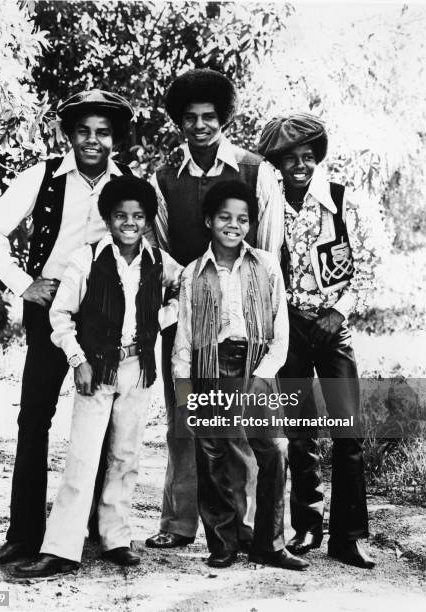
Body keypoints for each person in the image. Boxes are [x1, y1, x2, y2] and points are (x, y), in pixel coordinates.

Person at [0, 90, 134, 565]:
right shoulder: (42, 176)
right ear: (69, 134)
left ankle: (99, 532)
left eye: (102, 132)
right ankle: (23, 534)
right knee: (34, 419)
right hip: (49, 315)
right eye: (83, 131)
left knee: (101, 426)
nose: (92, 140)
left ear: (114, 139)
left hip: (104, 321)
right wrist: (24, 284)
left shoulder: (124, 184)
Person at [12, 176, 183, 578]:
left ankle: (115, 538)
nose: (129, 222)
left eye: (138, 216)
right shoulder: (86, 258)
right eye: (121, 215)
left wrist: (160, 319)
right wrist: (77, 359)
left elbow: (184, 287)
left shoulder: (159, 260)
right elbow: (59, 314)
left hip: (137, 370)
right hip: (97, 369)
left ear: (147, 220)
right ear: (107, 218)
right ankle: (61, 548)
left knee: (125, 456)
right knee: (84, 457)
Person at [146, 68, 284, 550]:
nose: (200, 126)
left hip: (243, 318)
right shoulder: (164, 179)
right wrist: (187, 288)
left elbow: (267, 251)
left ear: (222, 119)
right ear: (179, 123)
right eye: (190, 118)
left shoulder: (255, 170)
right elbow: (158, 247)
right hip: (187, 316)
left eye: (209, 117)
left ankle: (240, 529)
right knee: (185, 420)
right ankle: (179, 523)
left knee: (241, 426)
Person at [258, 112, 380, 569]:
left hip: (333, 329)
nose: (300, 166)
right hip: (288, 329)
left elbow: (369, 267)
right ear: (277, 163)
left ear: (318, 158)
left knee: (348, 433)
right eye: (290, 159)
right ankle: (307, 525)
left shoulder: (343, 202)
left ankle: (349, 537)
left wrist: (338, 311)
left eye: (308, 157)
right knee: (300, 430)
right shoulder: (269, 206)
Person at [172, 179, 308, 571]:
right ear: (209, 221)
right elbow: (183, 338)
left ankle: (270, 542)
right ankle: (223, 543)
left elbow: (280, 330)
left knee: (274, 448)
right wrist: (184, 393)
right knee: (213, 453)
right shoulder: (192, 274)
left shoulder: (266, 265)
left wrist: (265, 374)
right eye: (225, 217)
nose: (234, 225)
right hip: (211, 366)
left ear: (251, 224)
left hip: (256, 364)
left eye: (243, 219)